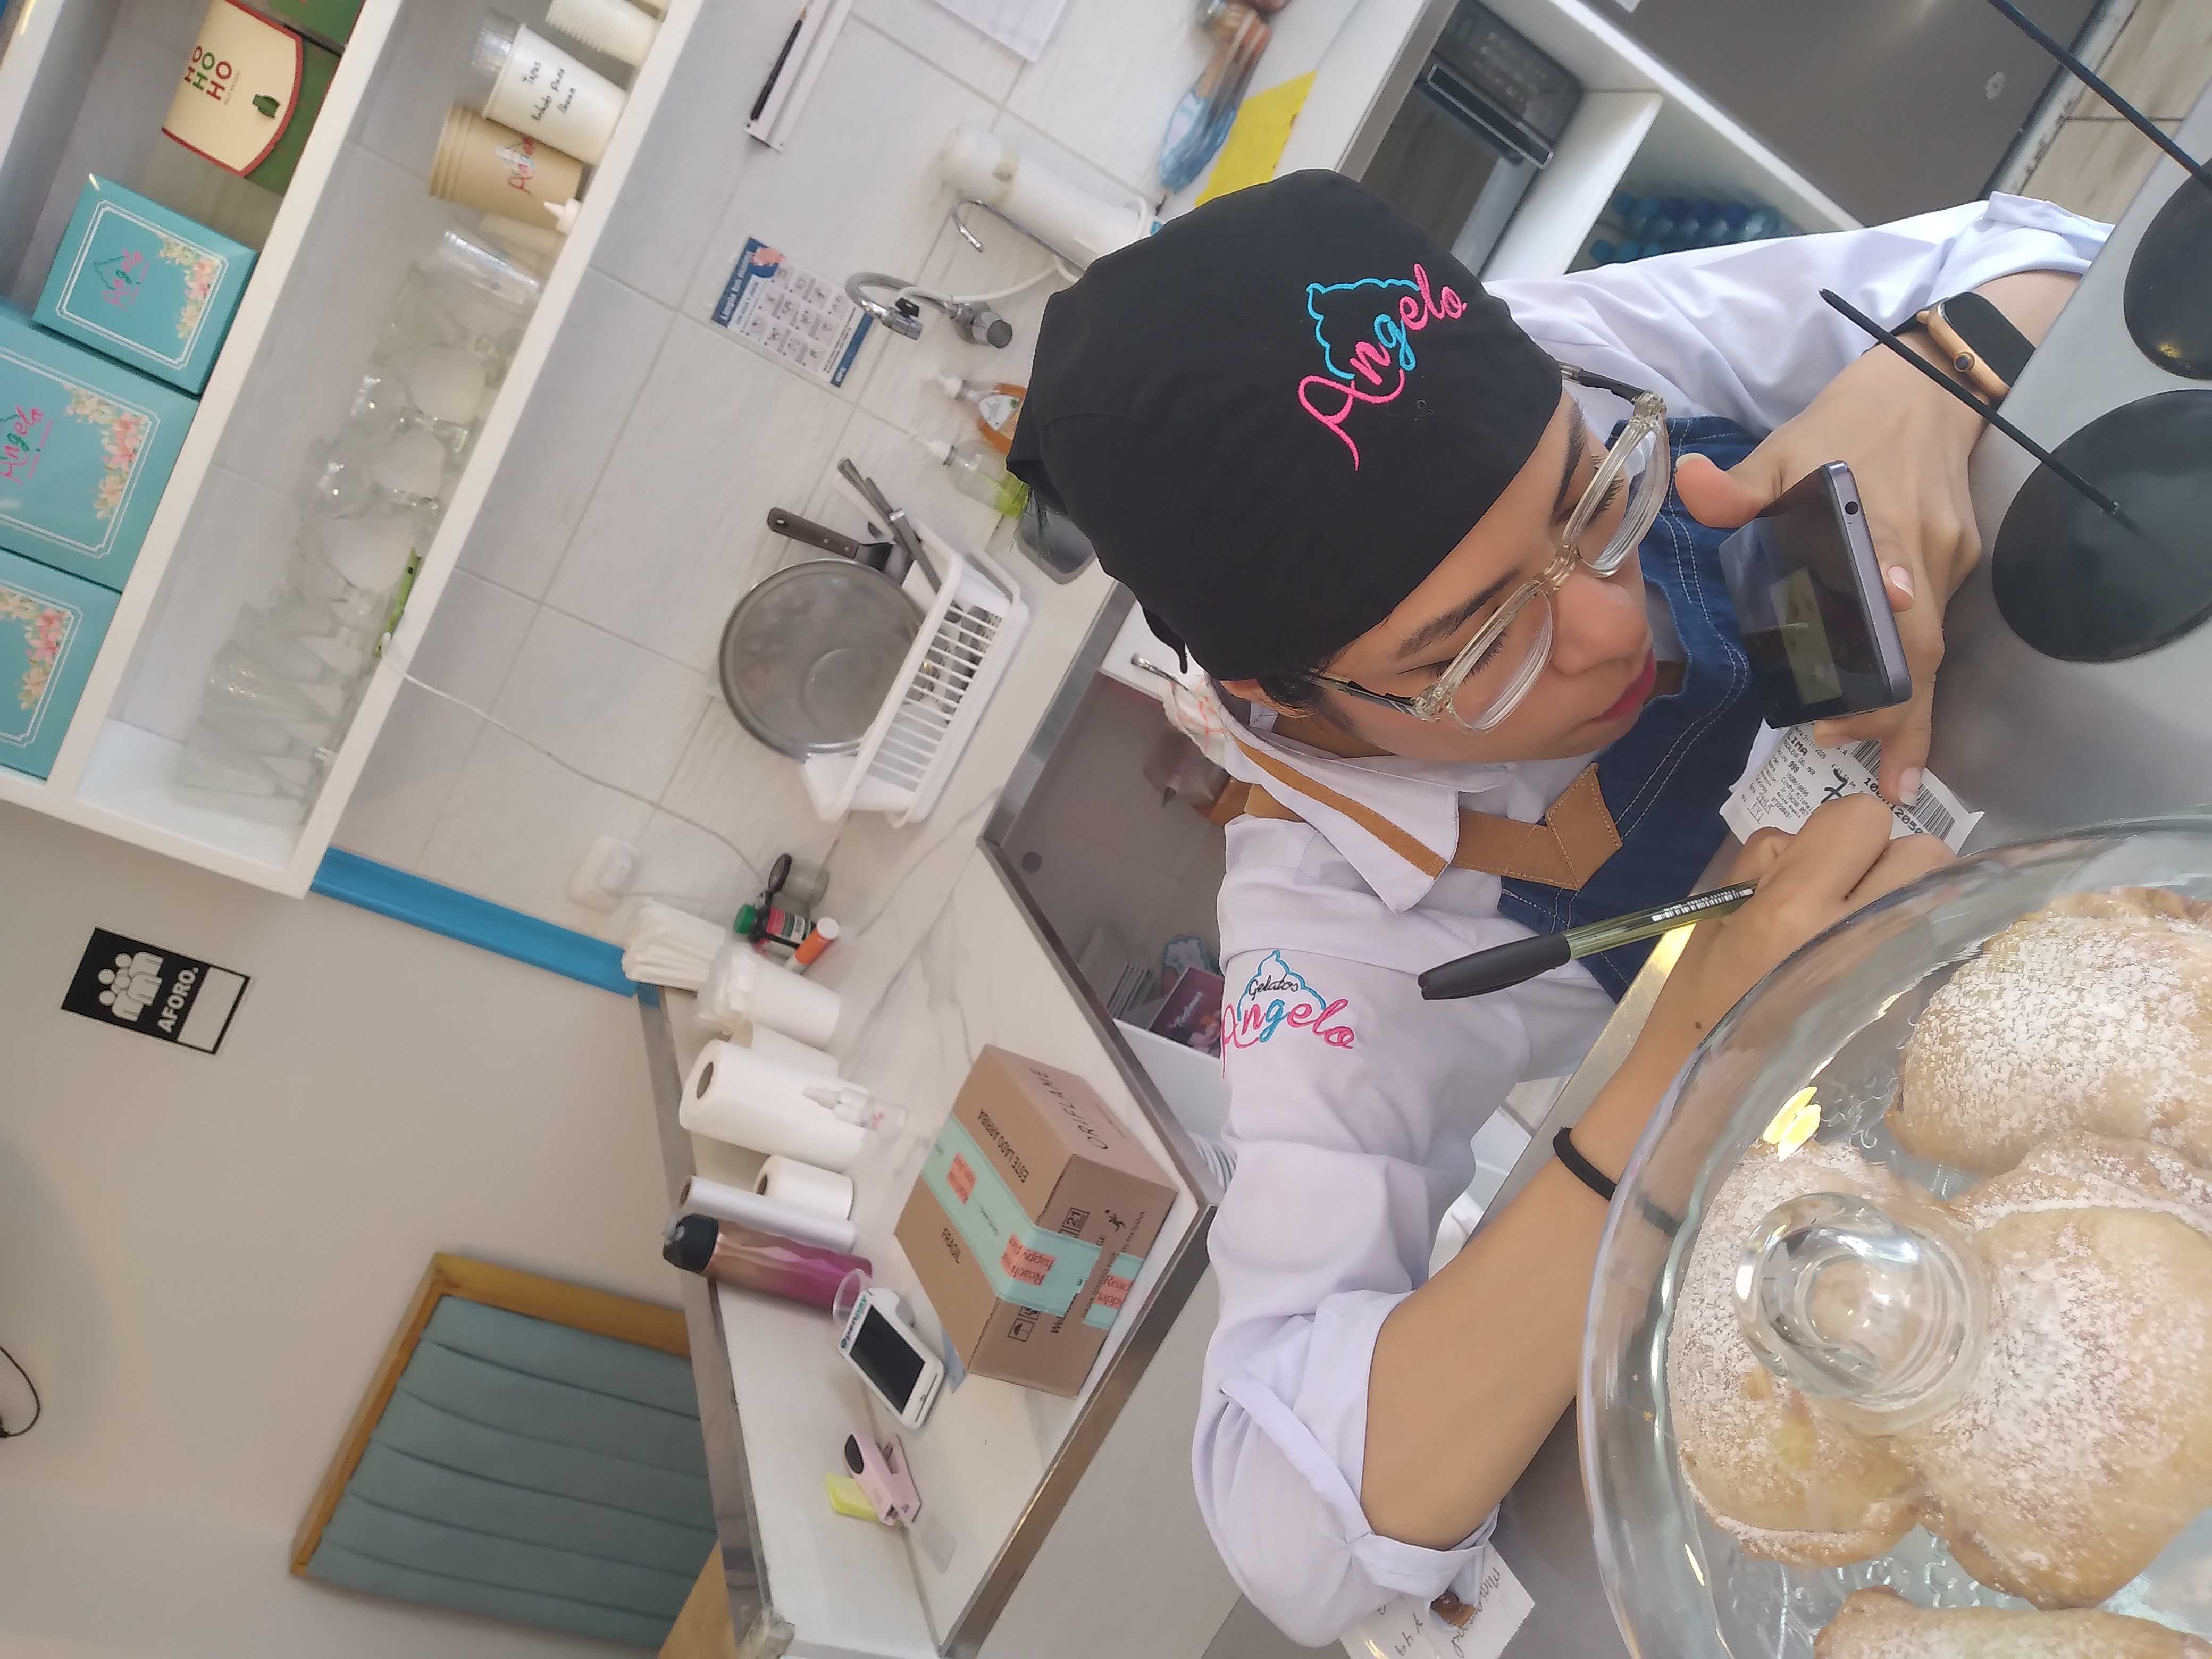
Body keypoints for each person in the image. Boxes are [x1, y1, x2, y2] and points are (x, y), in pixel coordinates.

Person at [1006, 172, 2106, 1643]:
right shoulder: (1338, 930)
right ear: (1289, 701)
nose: (1608, 619)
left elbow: (2057, 252)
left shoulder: (1567, 360)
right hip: (2036, 1157)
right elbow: (1291, 1538)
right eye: (1474, 647)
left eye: (1593, 501)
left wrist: (1927, 379)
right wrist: (1689, 1063)